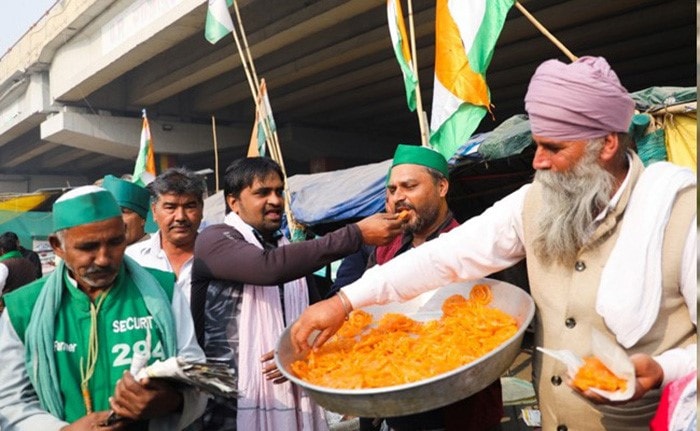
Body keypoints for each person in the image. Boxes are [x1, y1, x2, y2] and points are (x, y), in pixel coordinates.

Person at [291, 56, 697, 431]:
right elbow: (443, 256)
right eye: (537, 144)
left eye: (553, 148)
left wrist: (665, 369)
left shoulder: (680, 212)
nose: (537, 160)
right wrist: (343, 301)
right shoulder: (533, 203)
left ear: (607, 144)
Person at [190, 156, 405, 431]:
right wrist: (356, 234)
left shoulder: (287, 250)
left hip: (292, 397)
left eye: (279, 191)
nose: (275, 200)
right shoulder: (214, 240)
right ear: (234, 202)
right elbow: (267, 269)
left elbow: (318, 319)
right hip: (226, 407)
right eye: (262, 192)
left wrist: (294, 355)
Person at [0, 185, 207, 430]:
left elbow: (198, 375)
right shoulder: (24, 307)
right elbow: (9, 402)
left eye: (115, 242)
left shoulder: (163, 290)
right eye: (88, 247)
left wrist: (171, 401)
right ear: (57, 246)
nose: (103, 258)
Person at [331, 144, 503, 431]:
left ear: (442, 186)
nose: (399, 197)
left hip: (452, 409)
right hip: (386, 401)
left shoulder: (470, 246)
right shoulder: (384, 249)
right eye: (392, 190)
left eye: (409, 187)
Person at [126, 167, 204, 304]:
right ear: (154, 211)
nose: (180, 217)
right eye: (170, 207)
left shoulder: (219, 258)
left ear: (201, 209)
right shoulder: (132, 260)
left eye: (189, 206)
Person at [102, 175, 151, 245]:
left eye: (123, 211)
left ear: (142, 219)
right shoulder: (102, 253)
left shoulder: (161, 251)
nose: (115, 220)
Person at [0, 232, 39, 308]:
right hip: (27, 307)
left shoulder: (3, 265)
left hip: (8, 310)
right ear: (17, 246)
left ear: (2, 250)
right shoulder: (29, 263)